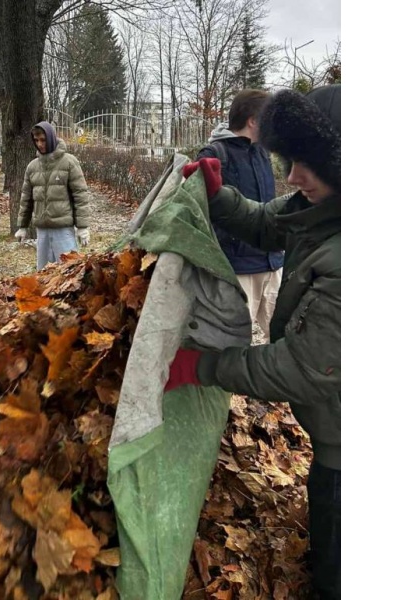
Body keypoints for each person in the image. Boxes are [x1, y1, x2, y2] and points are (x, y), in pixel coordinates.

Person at [166, 84, 341, 599]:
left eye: (308, 163)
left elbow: (303, 368)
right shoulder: (326, 209)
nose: (293, 176)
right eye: (290, 160)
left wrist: (202, 366)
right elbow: (266, 222)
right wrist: (219, 196)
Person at [196, 89, 283, 343]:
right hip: (237, 268)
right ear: (253, 121)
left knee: (285, 339)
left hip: (273, 263)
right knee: (229, 345)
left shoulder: (262, 152)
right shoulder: (214, 154)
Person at [15, 121, 91, 271]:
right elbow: (26, 199)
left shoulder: (69, 162)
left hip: (63, 229)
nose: (40, 144)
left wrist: (82, 227)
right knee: (44, 273)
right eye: (36, 140)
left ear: (51, 138)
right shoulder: (32, 167)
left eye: (43, 140)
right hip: (42, 230)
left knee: (69, 270)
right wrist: (22, 226)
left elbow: (80, 195)